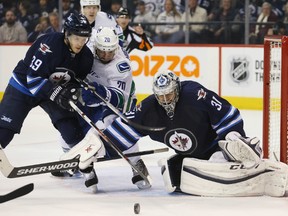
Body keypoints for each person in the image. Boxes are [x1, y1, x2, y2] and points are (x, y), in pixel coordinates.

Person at [100, 70, 288, 197]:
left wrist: (232, 134)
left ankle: (248, 156)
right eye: (161, 96)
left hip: (215, 148)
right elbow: (124, 129)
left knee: (217, 160)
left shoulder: (196, 94)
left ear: (177, 89)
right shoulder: (149, 107)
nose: (165, 100)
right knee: (172, 175)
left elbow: (226, 113)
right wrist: (101, 149)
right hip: (190, 155)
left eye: (169, 95)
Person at [0, 13, 98, 187]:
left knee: (71, 127)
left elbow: (75, 83)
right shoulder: (49, 44)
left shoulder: (86, 57)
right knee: (5, 131)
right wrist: (58, 93)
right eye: (76, 38)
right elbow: (33, 80)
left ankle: (84, 164)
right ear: (67, 34)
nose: (80, 43)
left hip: (53, 89)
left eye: (84, 39)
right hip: (22, 87)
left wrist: (71, 92)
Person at [55, 26, 151, 192]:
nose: (106, 55)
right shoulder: (86, 50)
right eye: (102, 51)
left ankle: (136, 162)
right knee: (69, 135)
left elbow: (119, 98)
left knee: (107, 132)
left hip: (115, 103)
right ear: (95, 47)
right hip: (88, 99)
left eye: (110, 52)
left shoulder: (122, 66)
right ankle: (83, 166)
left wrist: (100, 91)